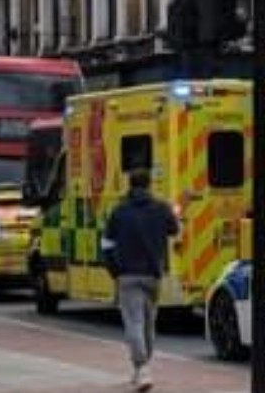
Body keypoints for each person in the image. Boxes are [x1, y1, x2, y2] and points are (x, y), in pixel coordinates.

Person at [103, 168, 180, 392]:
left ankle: (142, 367)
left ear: (130, 185)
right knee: (148, 324)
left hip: (127, 275)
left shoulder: (119, 211)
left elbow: (106, 245)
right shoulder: (161, 208)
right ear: (148, 185)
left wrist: (114, 271)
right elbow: (174, 230)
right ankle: (142, 368)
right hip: (153, 275)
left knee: (134, 323)